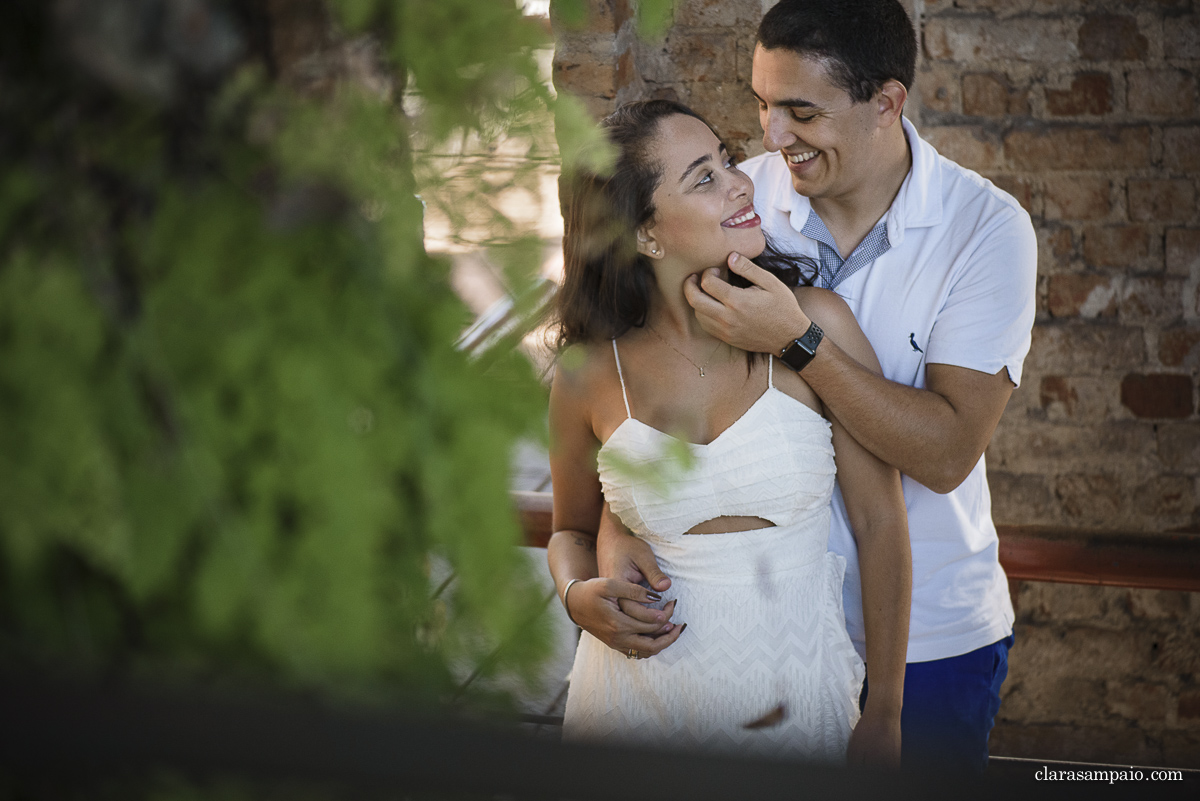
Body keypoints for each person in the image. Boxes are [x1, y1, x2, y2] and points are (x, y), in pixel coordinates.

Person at [596, 0, 1038, 773]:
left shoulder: (986, 229)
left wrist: (800, 342)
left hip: (929, 634)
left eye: (801, 111)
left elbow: (944, 455)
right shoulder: (736, 200)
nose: (772, 138)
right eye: (763, 106)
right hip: (753, 632)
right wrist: (616, 532)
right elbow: (648, 385)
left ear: (886, 103)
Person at [546, 99, 911, 766]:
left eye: (726, 160)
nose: (741, 181)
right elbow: (570, 527)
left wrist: (885, 706)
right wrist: (577, 594)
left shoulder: (813, 322)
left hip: (796, 696)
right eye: (704, 177)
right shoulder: (590, 374)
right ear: (646, 234)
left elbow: (880, 520)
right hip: (634, 704)